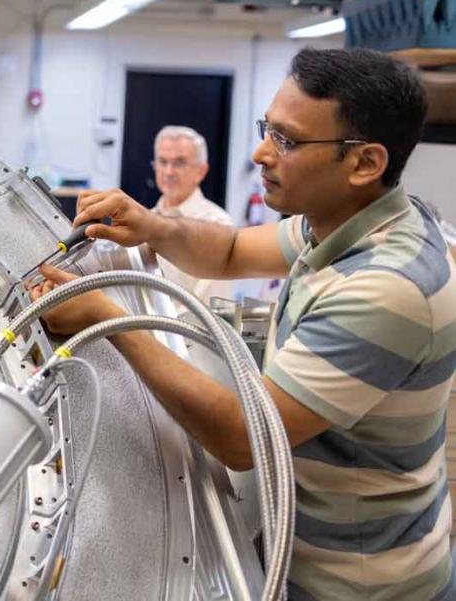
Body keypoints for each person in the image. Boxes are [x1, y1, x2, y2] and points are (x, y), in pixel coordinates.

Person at [32, 48, 456, 600]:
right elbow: (231, 250)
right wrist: (153, 226)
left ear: (364, 163)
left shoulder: (388, 288)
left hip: (358, 582)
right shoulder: (346, 221)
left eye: (287, 141)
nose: (260, 153)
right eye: (267, 129)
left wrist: (106, 317)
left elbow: (243, 436)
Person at [151, 125, 233, 304]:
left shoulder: (218, 224)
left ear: (201, 171)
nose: (168, 172)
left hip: (189, 330)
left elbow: (209, 309)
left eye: (179, 163)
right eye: (163, 162)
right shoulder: (146, 221)